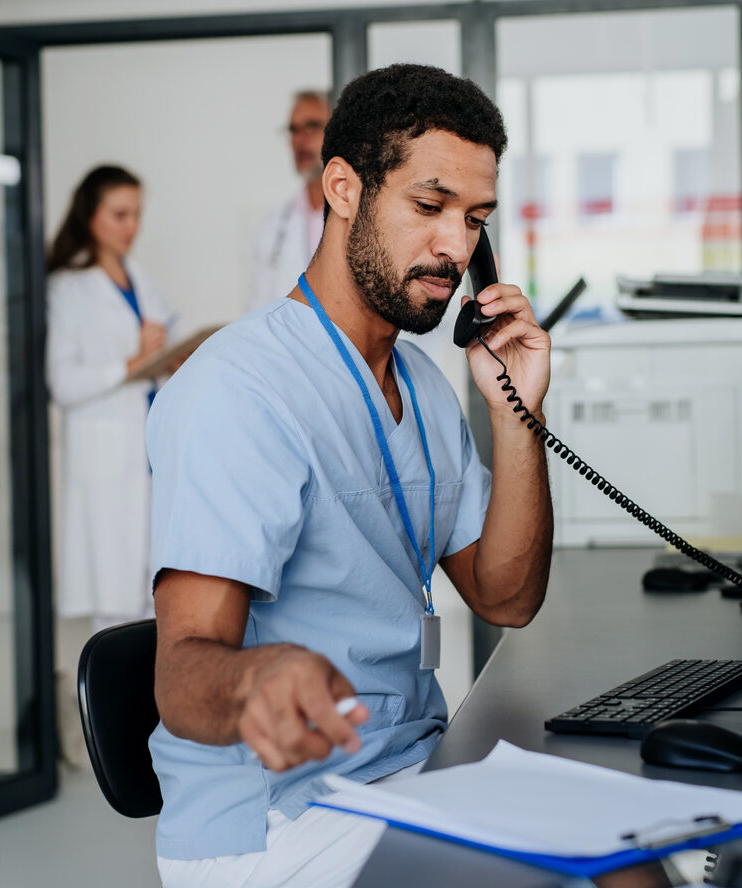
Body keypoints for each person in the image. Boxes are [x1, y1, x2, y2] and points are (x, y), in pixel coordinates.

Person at [149, 64, 554, 888]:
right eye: (429, 206)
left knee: (631, 860)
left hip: (409, 766)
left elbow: (506, 596)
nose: (457, 247)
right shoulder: (240, 389)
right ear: (343, 189)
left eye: (476, 220)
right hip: (279, 819)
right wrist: (259, 677)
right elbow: (182, 674)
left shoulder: (429, 387)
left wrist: (517, 408)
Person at [46, 165, 172, 632]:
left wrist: (170, 360)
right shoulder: (66, 288)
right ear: (90, 217)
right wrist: (131, 364)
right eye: (120, 214)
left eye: (137, 215)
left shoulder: (142, 278)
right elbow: (62, 383)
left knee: (154, 596)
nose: (131, 227)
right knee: (114, 605)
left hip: (146, 452)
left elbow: (154, 355)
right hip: (107, 460)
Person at [249, 89, 331, 310]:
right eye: (293, 130)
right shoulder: (271, 228)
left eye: (312, 126)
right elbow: (257, 314)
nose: (299, 140)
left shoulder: (364, 216)